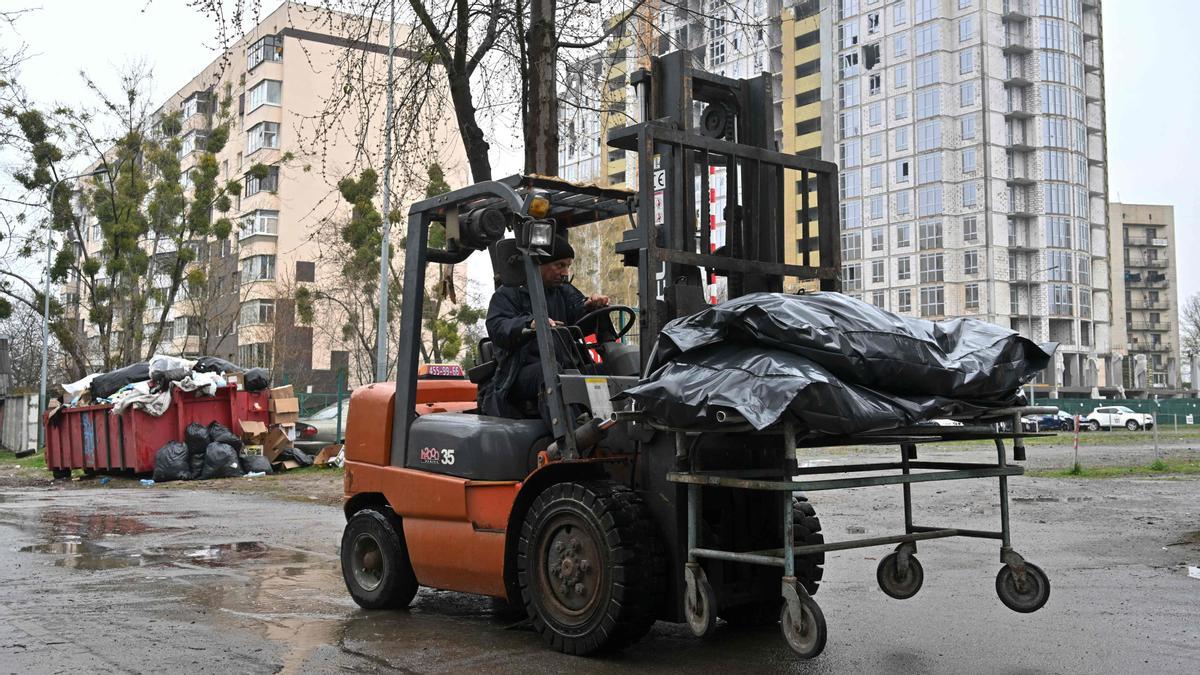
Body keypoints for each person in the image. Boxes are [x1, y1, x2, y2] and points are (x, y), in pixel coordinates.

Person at [482, 237, 610, 419]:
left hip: (566, 367)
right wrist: (530, 323)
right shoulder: (508, 294)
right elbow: (498, 326)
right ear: (538, 264)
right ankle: (573, 440)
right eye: (560, 265)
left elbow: (578, 313)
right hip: (519, 374)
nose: (565, 273)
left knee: (610, 368)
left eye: (568, 266)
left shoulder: (563, 291)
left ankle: (616, 428)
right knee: (549, 371)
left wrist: (591, 305)